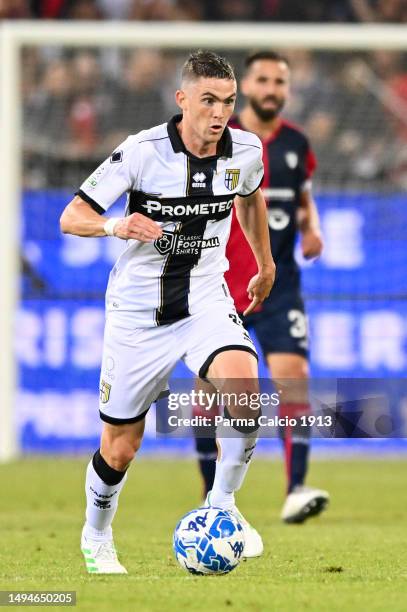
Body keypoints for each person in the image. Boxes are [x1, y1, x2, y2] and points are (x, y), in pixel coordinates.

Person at [60, 50, 276, 574]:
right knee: (120, 448)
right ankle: (96, 535)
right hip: (138, 316)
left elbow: (249, 199)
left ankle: (222, 506)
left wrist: (265, 264)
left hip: (204, 299)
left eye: (228, 101)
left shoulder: (245, 149)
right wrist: (117, 226)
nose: (220, 112)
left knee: (245, 390)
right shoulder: (141, 151)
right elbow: (73, 216)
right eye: (208, 101)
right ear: (182, 100)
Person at [193, 51, 330, 524]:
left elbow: (303, 199)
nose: (272, 89)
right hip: (217, 287)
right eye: (264, 80)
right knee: (210, 395)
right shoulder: (219, 142)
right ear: (245, 87)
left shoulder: (297, 144)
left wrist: (311, 230)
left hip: (280, 286)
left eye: (280, 81)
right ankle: (214, 501)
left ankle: (295, 489)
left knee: (294, 379)